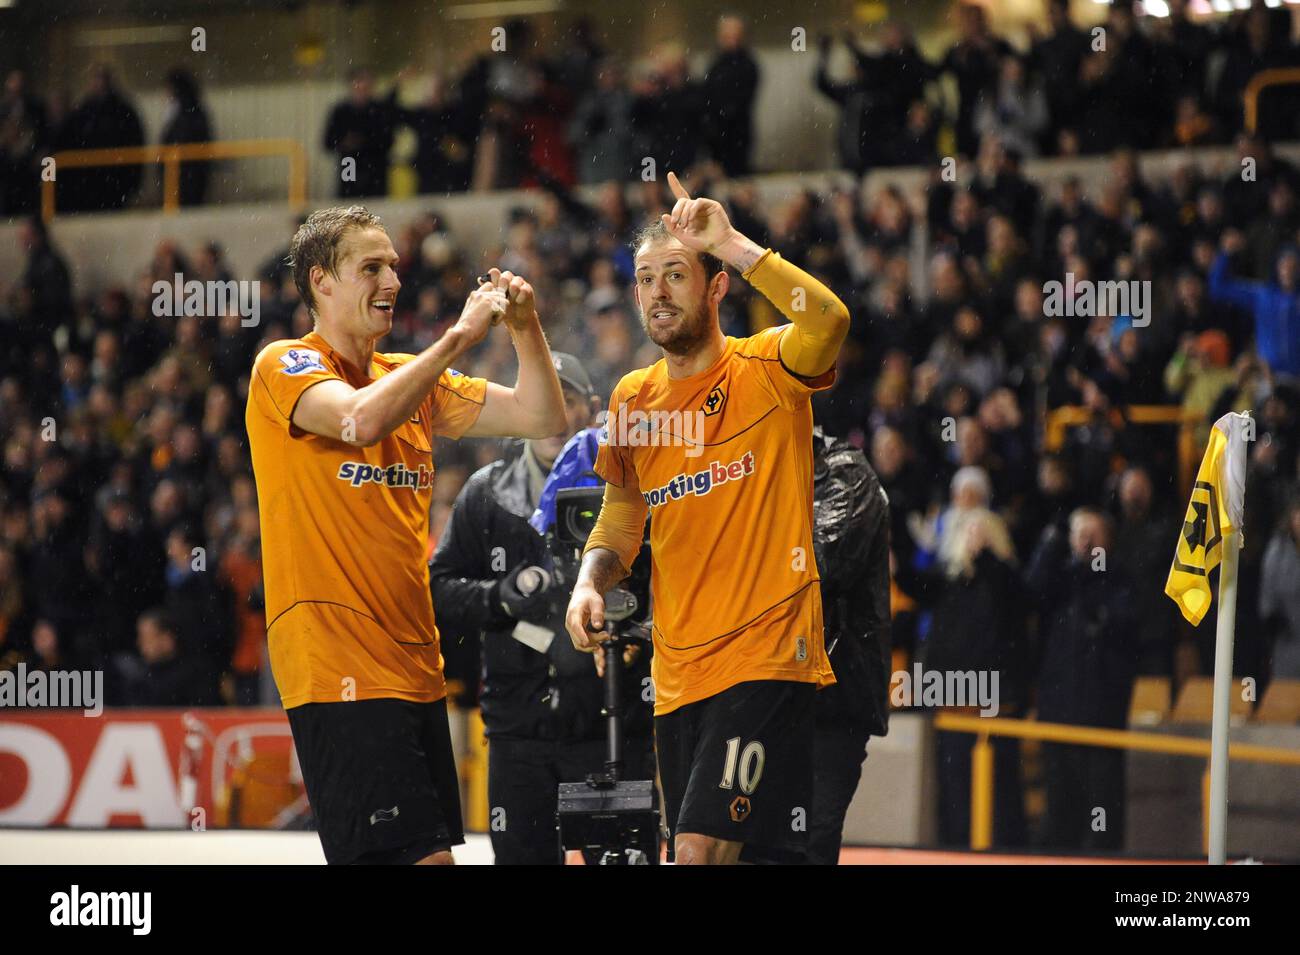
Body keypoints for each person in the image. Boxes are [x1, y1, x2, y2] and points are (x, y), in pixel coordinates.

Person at [245, 205, 565, 865]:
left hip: (414, 672)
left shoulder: (409, 379)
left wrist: (526, 328)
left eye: (393, 263)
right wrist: (456, 339)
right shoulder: (284, 366)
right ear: (320, 281)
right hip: (338, 667)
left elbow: (540, 414)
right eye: (371, 266)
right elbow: (358, 421)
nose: (391, 277)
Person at [565, 172, 850, 864]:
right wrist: (589, 580)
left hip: (766, 657)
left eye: (676, 274)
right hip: (678, 674)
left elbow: (830, 321)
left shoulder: (770, 366)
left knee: (696, 851)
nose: (657, 293)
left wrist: (732, 242)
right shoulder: (633, 397)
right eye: (645, 278)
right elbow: (621, 518)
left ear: (716, 287)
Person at [429, 354, 653, 864]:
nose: (555, 414)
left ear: (592, 409)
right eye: (544, 399)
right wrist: (501, 596)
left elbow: (666, 588)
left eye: (567, 399)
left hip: (611, 721)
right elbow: (438, 590)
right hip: (519, 730)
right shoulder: (486, 493)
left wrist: (634, 630)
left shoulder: (628, 487)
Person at [806, 426, 891, 865]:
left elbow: (822, 566)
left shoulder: (844, 472)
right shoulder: (744, 464)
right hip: (759, 688)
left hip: (833, 693)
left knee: (810, 838)